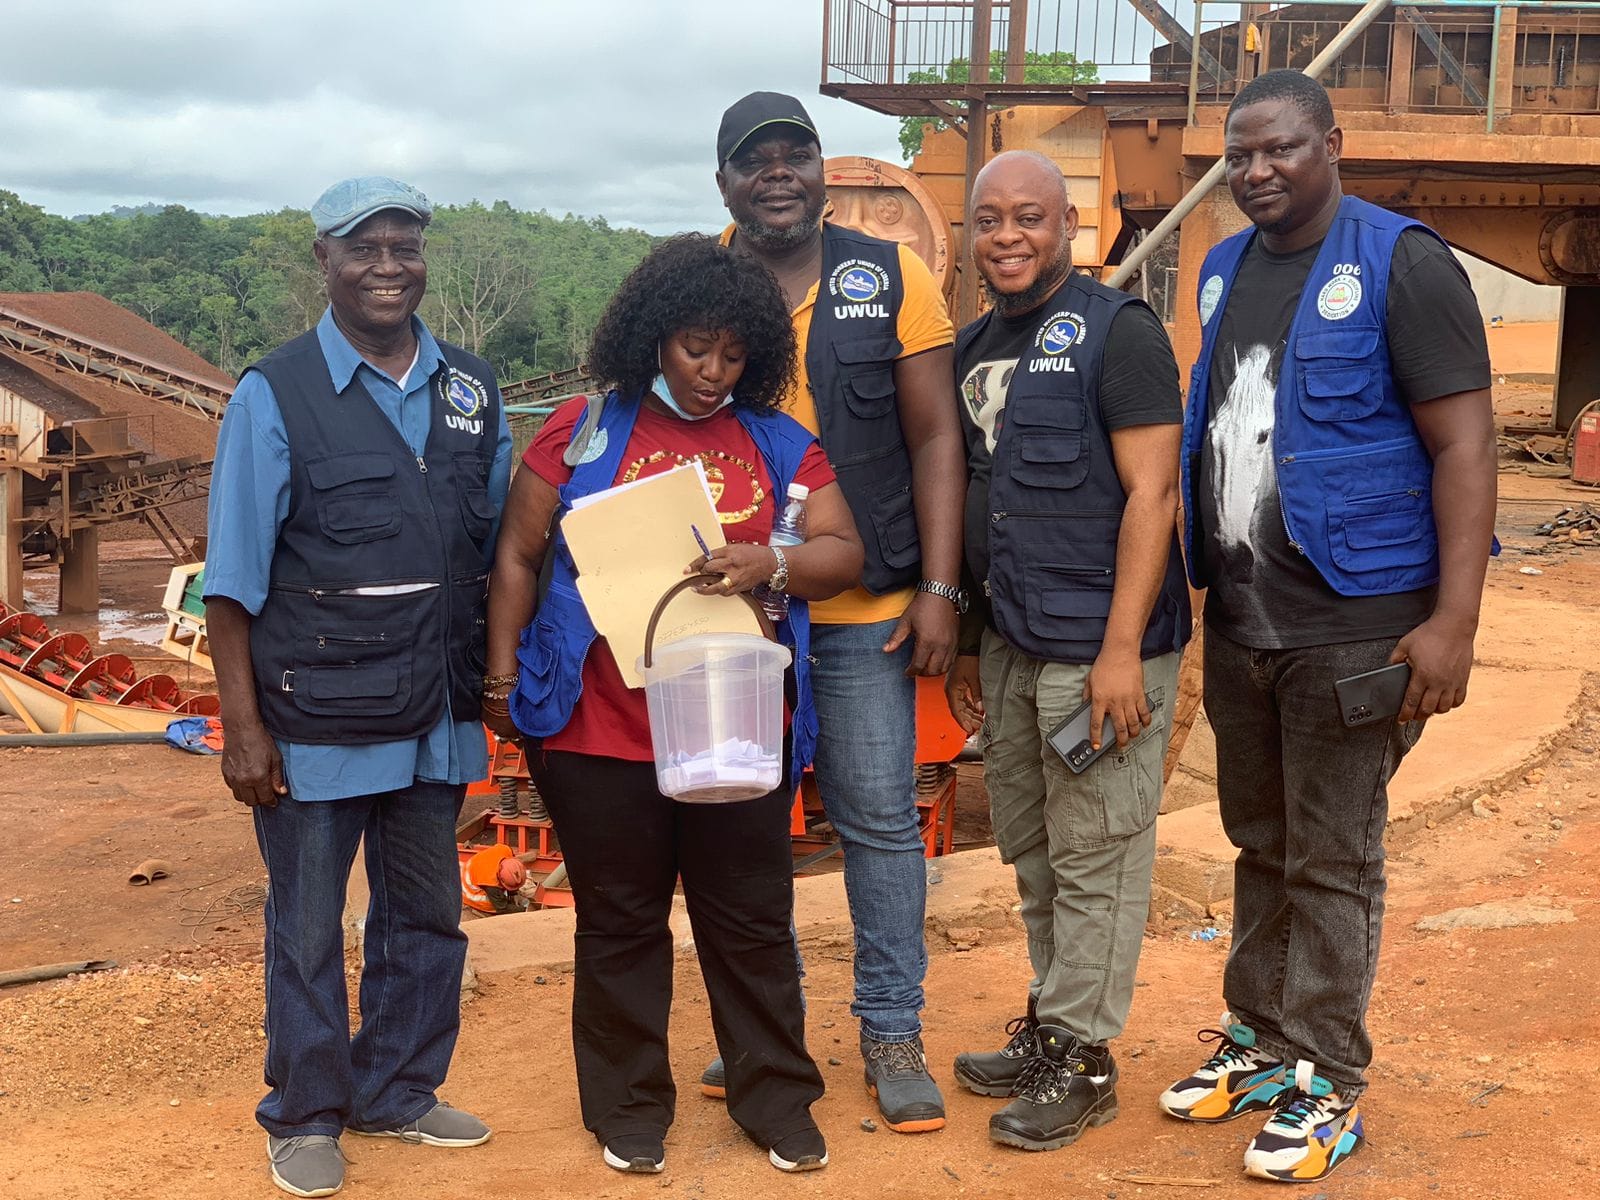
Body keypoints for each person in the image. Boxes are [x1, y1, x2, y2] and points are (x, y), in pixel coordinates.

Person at [1159, 71, 1495, 1184]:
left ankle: (1326, 1080)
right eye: (1238, 155)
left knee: (1334, 859)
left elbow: (1464, 447)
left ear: (1331, 145)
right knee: (1260, 845)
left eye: (1279, 150)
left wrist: (1453, 622)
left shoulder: (1400, 262)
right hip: (1246, 623)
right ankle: (1258, 1040)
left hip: (1358, 628)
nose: (1256, 171)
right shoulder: (1219, 271)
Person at [483, 234, 863, 1176]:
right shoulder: (582, 431)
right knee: (619, 918)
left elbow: (842, 551)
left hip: (734, 734)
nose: (713, 371)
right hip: (600, 728)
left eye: (735, 355)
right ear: (654, 335)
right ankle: (628, 1106)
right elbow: (518, 556)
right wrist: (500, 677)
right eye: (698, 348)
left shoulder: (778, 442)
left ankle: (773, 1096)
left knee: (750, 917)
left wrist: (766, 561)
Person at [204, 176, 512, 1199]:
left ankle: (398, 1090)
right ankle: (303, 1113)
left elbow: (512, 539)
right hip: (316, 720)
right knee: (306, 929)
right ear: (324, 263)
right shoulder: (274, 394)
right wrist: (241, 730)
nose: (389, 265)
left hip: (435, 712)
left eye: (406, 245)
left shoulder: (470, 388)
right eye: (364, 247)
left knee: (426, 919)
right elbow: (232, 585)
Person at [707, 90, 967, 1134]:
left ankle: (892, 1030)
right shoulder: (702, 281)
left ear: (822, 170)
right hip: (739, 616)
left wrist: (941, 587)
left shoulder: (886, 275)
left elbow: (937, 438)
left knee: (877, 825)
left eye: (794, 154)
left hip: (869, 609)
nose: (777, 173)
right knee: (742, 834)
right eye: (752, 160)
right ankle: (763, 1035)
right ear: (723, 181)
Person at [941, 151, 1191, 1152]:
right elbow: (972, 500)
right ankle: (1053, 1027)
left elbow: (1153, 495)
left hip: (1102, 655)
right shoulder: (970, 347)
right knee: (1036, 858)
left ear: (1068, 228)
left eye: (1029, 217)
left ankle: (1085, 1062)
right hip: (1011, 644)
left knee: (1098, 862)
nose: (1007, 236)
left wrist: (1121, 648)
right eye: (989, 219)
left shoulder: (1115, 334)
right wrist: (965, 638)